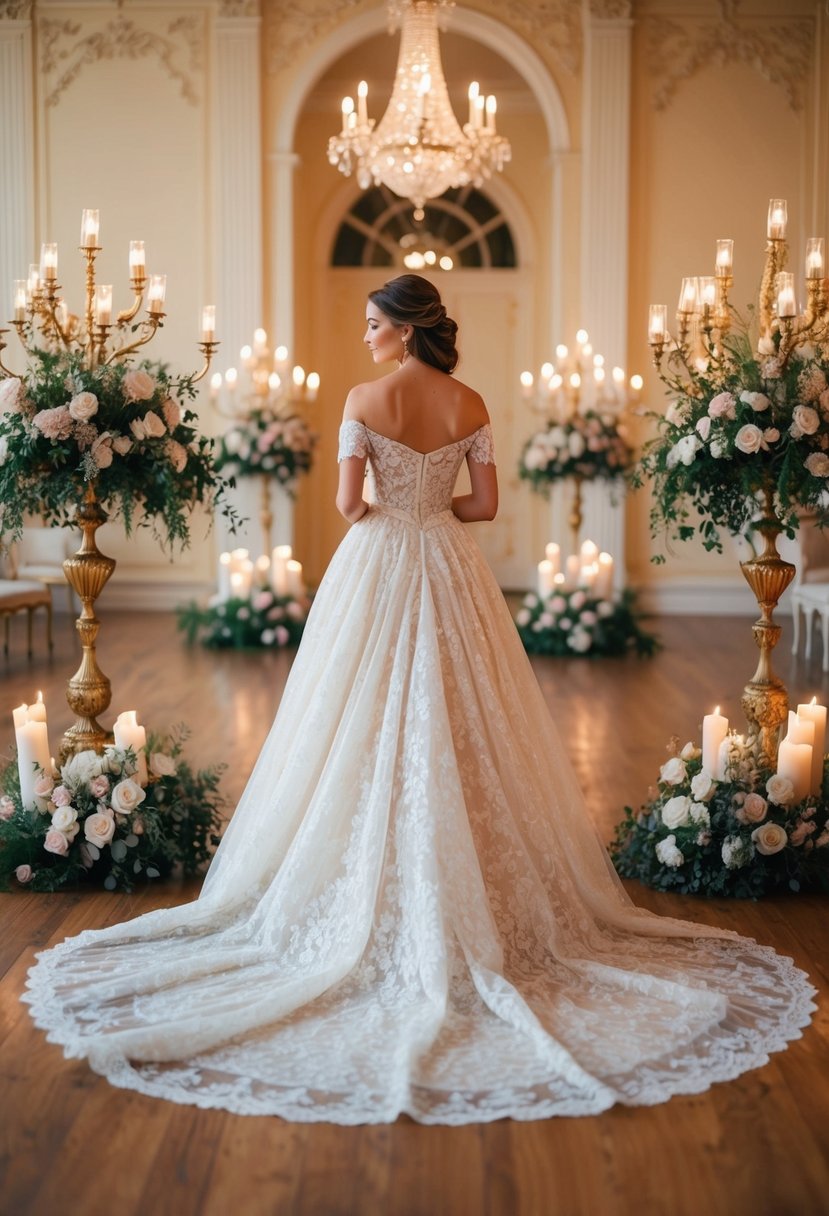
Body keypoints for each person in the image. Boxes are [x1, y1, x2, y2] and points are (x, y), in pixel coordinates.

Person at [23, 275, 815, 1124]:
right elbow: (484, 505)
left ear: (405, 331)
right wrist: (431, 508)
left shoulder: (365, 396)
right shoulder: (468, 399)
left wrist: (387, 506)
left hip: (376, 562)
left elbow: (343, 504)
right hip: (449, 564)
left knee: (351, 714)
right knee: (464, 709)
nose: (364, 336)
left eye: (373, 324)